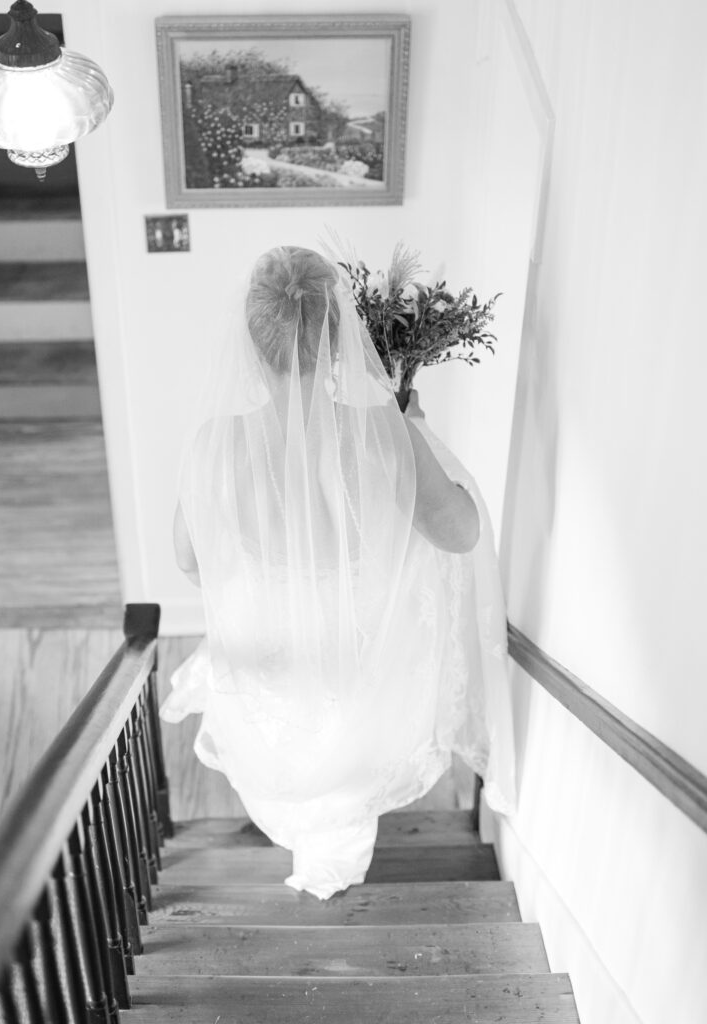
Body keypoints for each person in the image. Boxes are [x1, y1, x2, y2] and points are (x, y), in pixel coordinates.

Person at [162, 245, 515, 899]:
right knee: (347, 770)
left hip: (270, 662)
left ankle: (317, 852)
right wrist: (430, 449)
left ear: (248, 341)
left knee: (300, 766)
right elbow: (460, 532)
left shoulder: (212, 445)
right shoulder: (385, 431)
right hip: (360, 667)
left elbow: (190, 563)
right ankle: (333, 856)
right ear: (339, 338)